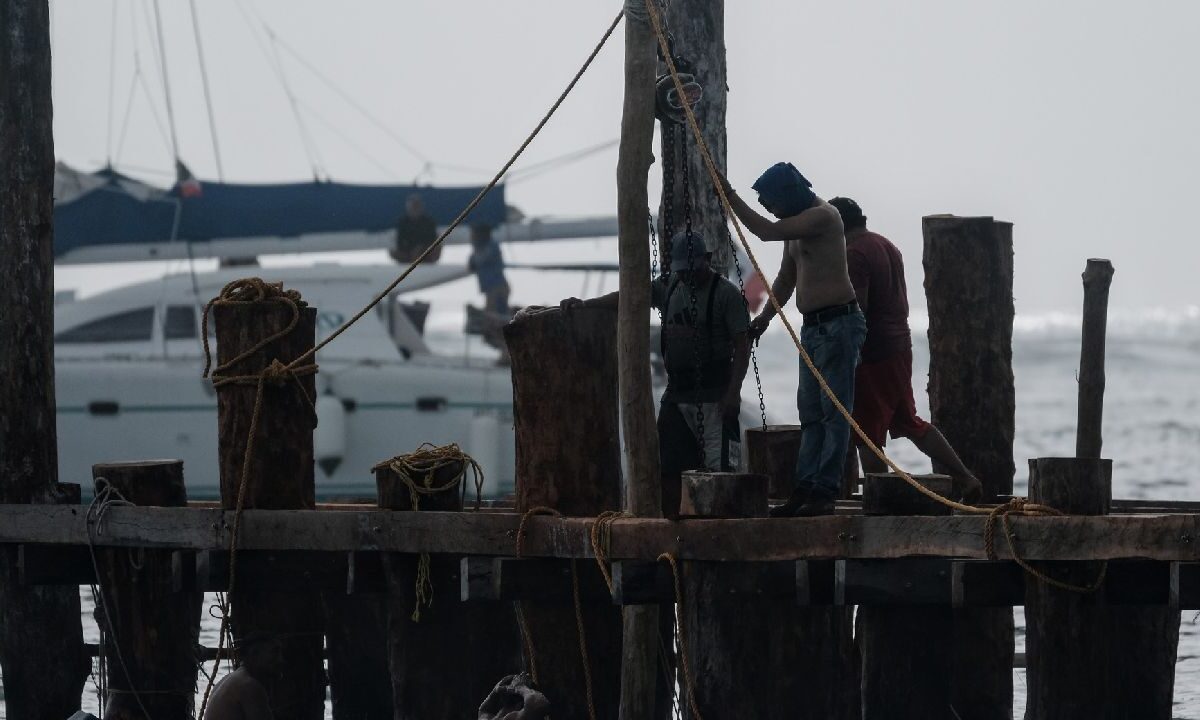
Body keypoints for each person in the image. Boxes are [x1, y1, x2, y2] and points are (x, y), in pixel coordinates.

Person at [563, 230, 750, 517]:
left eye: (693, 269)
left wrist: (733, 393)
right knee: (667, 465)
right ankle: (672, 526)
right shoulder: (669, 286)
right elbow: (628, 297)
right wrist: (587, 304)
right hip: (677, 393)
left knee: (720, 471)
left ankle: (718, 528)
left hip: (715, 393)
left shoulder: (726, 294)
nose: (688, 276)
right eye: (682, 271)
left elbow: (742, 344)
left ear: (708, 260)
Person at [721, 162, 866, 517]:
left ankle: (825, 490)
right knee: (811, 413)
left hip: (839, 324)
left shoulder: (824, 217)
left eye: (773, 203)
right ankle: (804, 488)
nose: (771, 211)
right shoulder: (796, 230)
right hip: (813, 328)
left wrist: (731, 198)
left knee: (834, 413)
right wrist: (764, 319)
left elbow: (767, 231)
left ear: (790, 195)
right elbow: (786, 279)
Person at [829, 196, 983, 502]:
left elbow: (860, 308)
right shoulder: (887, 245)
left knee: (866, 435)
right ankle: (965, 478)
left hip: (873, 354)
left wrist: (846, 351)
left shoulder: (854, 253)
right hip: (900, 347)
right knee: (910, 422)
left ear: (838, 225)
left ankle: (880, 499)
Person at [203, 634, 282, 720]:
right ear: (255, 655)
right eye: (274, 653)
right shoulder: (249, 686)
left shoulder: (231, 678)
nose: (280, 659)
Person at [468, 224, 511, 316]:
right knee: (492, 314)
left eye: (473, 234)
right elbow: (472, 264)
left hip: (497, 287)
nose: (471, 236)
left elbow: (479, 260)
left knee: (494, 315)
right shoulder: (480, 248)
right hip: (491, 287)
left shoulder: (491, 246)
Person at [477, 673, 551, 720]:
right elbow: (540, 702)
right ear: (520, 704)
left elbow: (483, 709)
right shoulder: (513, 718)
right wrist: (521, 688)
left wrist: (497, 690)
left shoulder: (485, 717)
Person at [392, 193, 440, 264]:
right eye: (413, 206)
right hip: (408, 252)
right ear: (408, 208)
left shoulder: (429, 222)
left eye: (417, 206)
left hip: (426, 252)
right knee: (393, 252)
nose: (415, 209)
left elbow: (432, 239)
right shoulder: (403, 222)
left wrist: (421, 248)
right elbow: (400, 241)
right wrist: (410, 251)